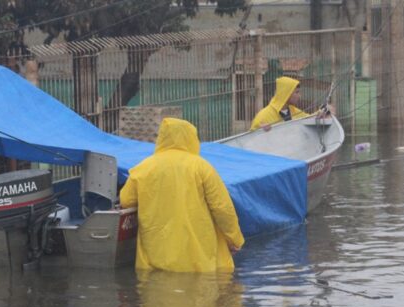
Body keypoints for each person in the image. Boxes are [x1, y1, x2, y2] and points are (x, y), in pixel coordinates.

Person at [119, 117, 245, 273]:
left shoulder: (143, 168)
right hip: (200, 261)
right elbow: (222, 208)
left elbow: (126, 201)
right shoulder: (202, 167)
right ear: (191, 138)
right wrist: (235, 239)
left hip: (155, 261)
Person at [250, 75, 330, 132]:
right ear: (286, 93)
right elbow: (250, 138)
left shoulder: (294, 111)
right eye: (297, 92)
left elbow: (309, 118)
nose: (299, 96)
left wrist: (322, 112)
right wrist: (260, 131)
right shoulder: (263, 115)